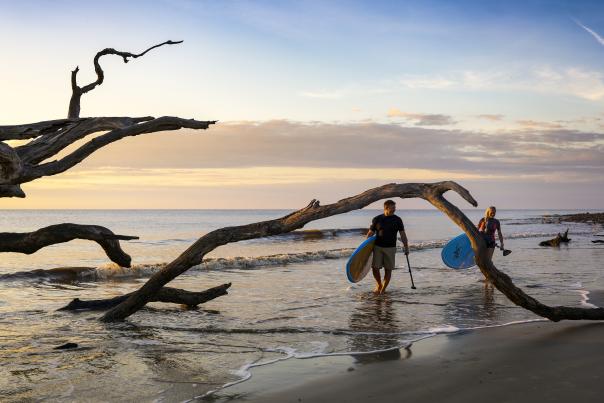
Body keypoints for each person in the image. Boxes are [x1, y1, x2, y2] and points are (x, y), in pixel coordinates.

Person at [366, 200, 409, 294]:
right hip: (378, 247)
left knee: (388, 269)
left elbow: (402, 234)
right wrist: (365, 247)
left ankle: (383, 289)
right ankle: (379, 284)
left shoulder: (397, 219)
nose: (394, 210)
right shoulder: (377, 219)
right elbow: (370, 233)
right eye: (392, 208)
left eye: (395, 208)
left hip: (391, 248)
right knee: (375, 268)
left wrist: (406, 247)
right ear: (386, 208)